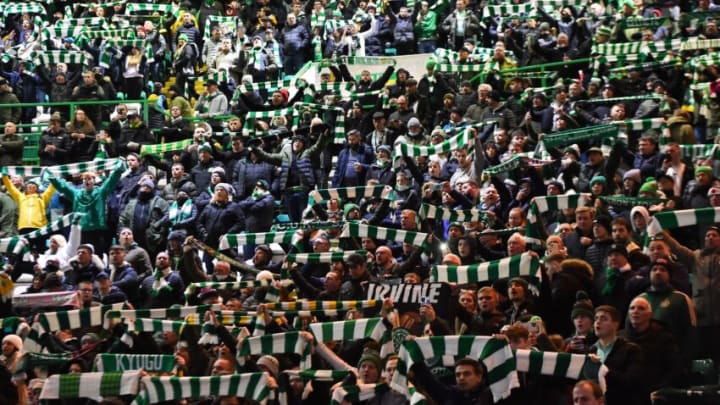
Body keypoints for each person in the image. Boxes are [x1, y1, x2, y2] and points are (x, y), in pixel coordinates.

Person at [48, 160, 126, 253]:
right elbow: (62, 187)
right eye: (85, 179)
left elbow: (111, 181)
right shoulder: (76, 194)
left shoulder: (101, 192)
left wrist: (118, 169)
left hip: (97, 231)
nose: (87, 181)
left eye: (90, 179)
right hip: (81, 231)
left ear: (94, 180)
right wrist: (51, 176)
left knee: (98, 255)